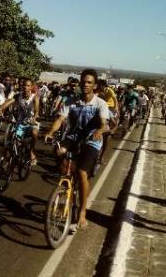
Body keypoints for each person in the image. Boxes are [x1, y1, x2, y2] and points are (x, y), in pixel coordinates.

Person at [45, 69, 109, 229]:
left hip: (91, 141)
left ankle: (82, 212)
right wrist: (50, 132)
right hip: (73, 138)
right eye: (83, 81)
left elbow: (104, 124)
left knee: (82, 173)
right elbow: (60, 119)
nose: (85, 84)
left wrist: (100, 131)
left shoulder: (100, 103)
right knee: (59, 152)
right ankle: (65, 188)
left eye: (89, 82)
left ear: (94, 86)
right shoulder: (71, 102)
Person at [0, 78, 40, 167]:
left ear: (31, 87)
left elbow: (36, 111)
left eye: (28, 86)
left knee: (34, 133)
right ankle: (8, 159)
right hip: (20, 122)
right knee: (15, 141)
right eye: (24, 85)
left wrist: (34, 118)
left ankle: (31, 151)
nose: (25, 87)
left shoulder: (35, 97)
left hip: (32, 122)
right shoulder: (18, 96)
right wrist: (1, 109)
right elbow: (8, 103)